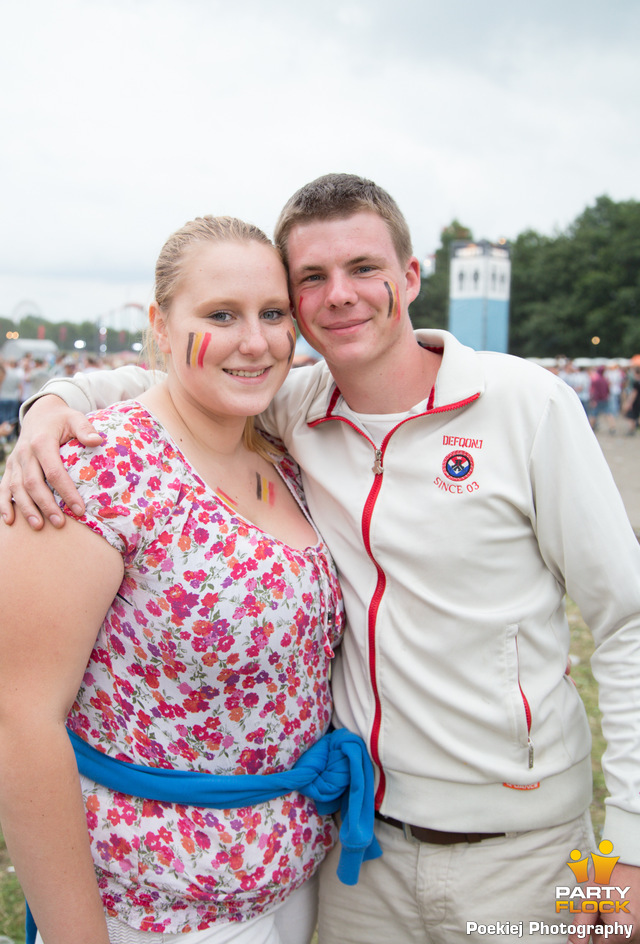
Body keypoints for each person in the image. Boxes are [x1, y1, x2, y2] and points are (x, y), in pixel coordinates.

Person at [3, 175, 640, 944]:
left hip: (520, 853)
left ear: (409, 277)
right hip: (353, 855)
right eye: (309, 280)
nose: (338, 296)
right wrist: (54, 403)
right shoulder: (292, 413)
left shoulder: (526, 406)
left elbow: (627, 624)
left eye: (363, 268)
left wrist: (631, 853)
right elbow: (173, 383)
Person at [0, 215, 381, 944]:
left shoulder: (281, 453)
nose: (255, 341)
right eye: (221, 315)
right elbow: (21, 723)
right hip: (154, 912)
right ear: (162, 326)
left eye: (273, 314)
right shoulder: (94, 470)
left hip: (296, 887)